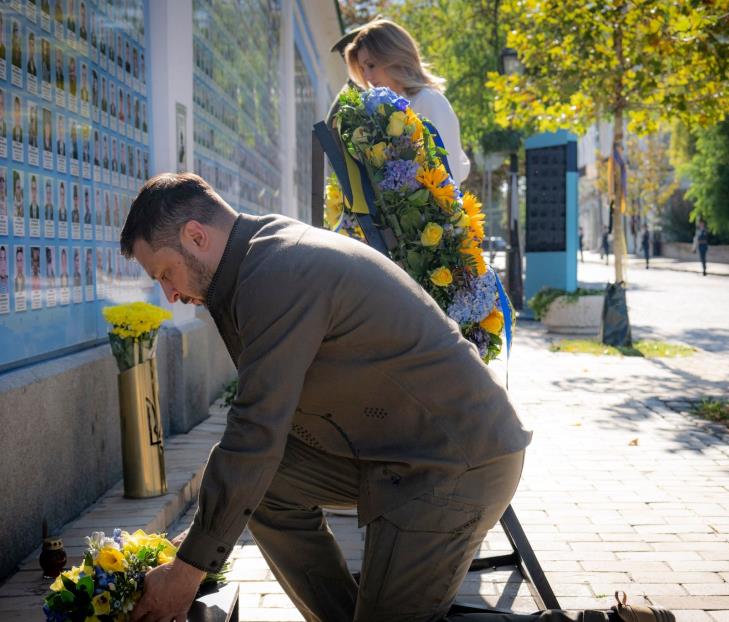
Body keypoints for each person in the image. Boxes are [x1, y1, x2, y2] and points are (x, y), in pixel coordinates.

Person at [122, 173, 531, 622]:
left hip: (456, 460)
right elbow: (261, 452)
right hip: (403, 452)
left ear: (196, 236)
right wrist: (203, 537)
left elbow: (255, 432)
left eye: (166, 273)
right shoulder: (259, 260)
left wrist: (187, 573)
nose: (171, 295)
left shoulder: (279, 272)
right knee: (266, 487)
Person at [343, 18, 470, 186]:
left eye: (371, 65)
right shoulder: (385, 111)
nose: (366, 77)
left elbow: (446, 176)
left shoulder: (428, 100)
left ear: (394, 57)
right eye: (362, 69)